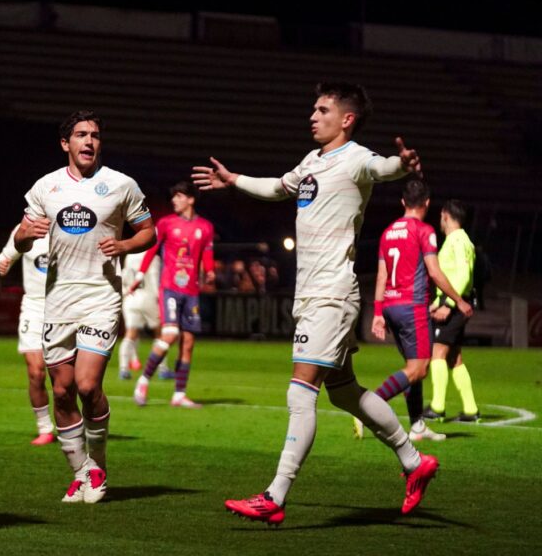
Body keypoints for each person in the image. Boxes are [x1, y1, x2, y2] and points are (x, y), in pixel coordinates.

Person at [193, 82, 438, 524]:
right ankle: (413, 461)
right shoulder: (311, 162)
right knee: (344, 392)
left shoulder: (357, 159)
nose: (312, 116)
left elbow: (383, 167)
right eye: (314, 108)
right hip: (311, 294)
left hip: (331, 293)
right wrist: (234, 180)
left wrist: (402, 165)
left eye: (322, 110)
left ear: (346, 119)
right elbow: (277, 188)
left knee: (300, 391)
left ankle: (275, 496)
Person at [16, 110, 156, 504]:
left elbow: (149, 232)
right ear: (66, 143)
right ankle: (82, 472)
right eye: (81, 135)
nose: (89, 141)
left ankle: (99, 465)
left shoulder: (121, 184)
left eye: (94, 135)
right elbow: (23, 238)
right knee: (61, 391)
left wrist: (124, 244)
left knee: (88, 385)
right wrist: (25, 235)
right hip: (58, 301)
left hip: (100, 297)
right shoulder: (46, 187)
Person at [368, 179, 473, 442]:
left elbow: (381, 276)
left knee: (412, 367)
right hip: (412, 306)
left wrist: (378, 313)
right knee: (419, 369)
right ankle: (368, 406)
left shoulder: (387, 232)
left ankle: (417, 426)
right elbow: (434, 272)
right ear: (427, 203)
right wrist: (458, 301)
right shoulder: (424, 230)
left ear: (403, 202)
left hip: (390, 306)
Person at [131, 180, 215, 408]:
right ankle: (143, 381)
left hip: (192, 291)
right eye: (173, 196)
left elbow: (207, 254)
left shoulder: (205, 227)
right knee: (170, 335)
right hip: (170, 288)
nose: (174, 200)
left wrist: (210, 272)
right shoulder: (166, 223)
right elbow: (152, 249)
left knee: (188, 343)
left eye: (179, 196)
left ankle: (179, 394)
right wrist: (140, 275)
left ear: (191, 199)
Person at [424, 199, 480, 423]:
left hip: (455, 303)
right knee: (454, 356)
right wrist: (438, 302)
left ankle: (437, 407)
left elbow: (463, 275)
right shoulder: (457, 240)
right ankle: (470, 410)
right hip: (452, 301)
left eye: (441, 216)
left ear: (445, 215)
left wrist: (448, 304)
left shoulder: (458, 240)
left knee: (438, 352)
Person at [0, 226, 56, 445]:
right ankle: (44, 428)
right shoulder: (27, 228)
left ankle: (71, 425)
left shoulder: (72, 227)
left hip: (65, 307)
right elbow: (5, 258)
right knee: (36, 372)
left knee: (65, 379)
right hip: (34, 307)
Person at [118, 249, 160, 379]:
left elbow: (125, 276)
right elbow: (154, 279)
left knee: (130, 334)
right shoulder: (153, 257)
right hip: (149, 298)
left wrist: (125, 292)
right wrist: (159, 299)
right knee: (159, 334)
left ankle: (124, 369)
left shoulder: (130, 255)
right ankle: (162, 368)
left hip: (131, 298)